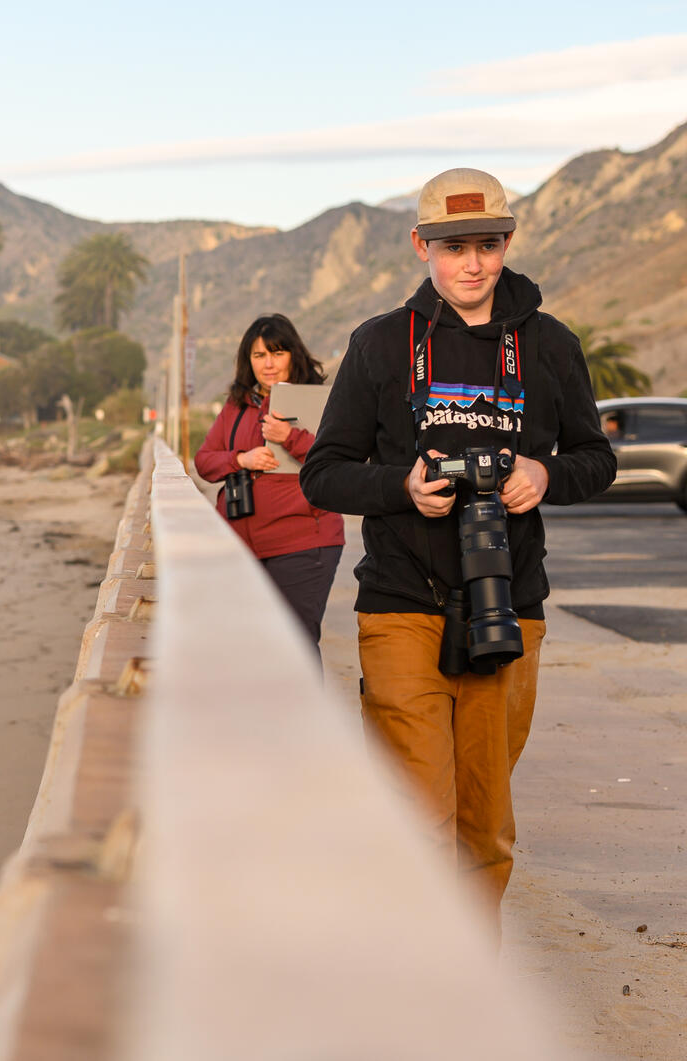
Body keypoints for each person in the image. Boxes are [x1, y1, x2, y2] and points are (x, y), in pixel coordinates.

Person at [299, 168, 616, 931]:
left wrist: (544, 472)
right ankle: (416, 985)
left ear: (509, 243)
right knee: (417, 818)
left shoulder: (548, 345)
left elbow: (595, 459)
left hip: (509, 608)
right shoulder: (379, 344)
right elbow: (322, 471)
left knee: (483, 827)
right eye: (451, 246)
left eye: (487, 244)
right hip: (402, 605)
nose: (471, 263)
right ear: (420, 246)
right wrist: (400, 486)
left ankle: (472, 996)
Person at [196, 313, 345, 655]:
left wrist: (290, 437)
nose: (268, 364)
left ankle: (306, 711)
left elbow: (339, 461)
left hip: (303, 544)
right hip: (241, 547)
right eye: (259, 355)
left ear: (294, 354)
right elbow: (204, 461)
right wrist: (240, 459)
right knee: (250, 648)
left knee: (294, 648)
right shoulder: (236, 405)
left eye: (277, 353)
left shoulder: (321, 402)